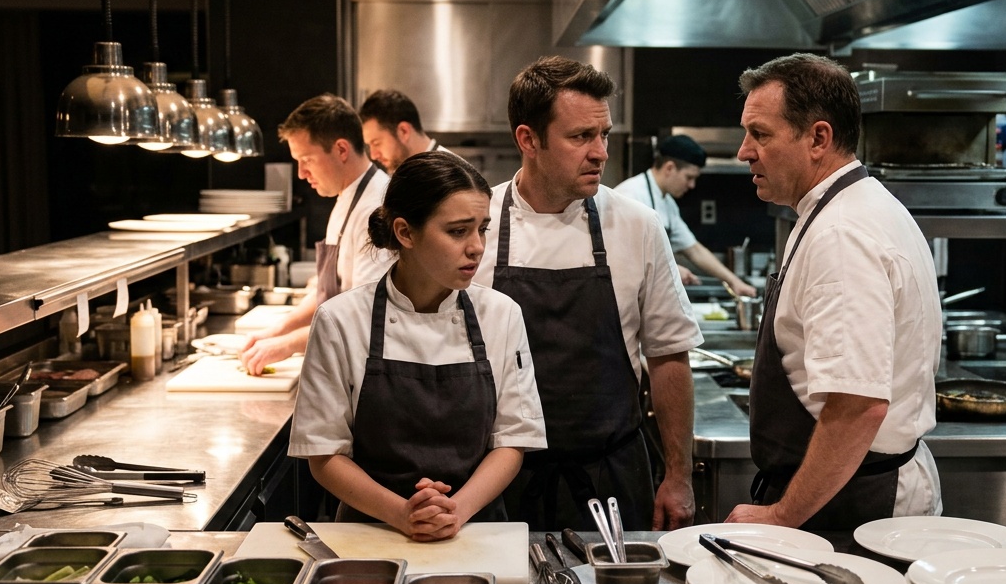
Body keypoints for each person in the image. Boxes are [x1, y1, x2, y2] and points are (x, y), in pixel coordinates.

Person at [472, 55, 701, 532]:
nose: (600, 152)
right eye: (581, 137)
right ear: (528, 140)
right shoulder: (476, 225)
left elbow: (668, 356)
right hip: (496, 481)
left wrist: (678, 475)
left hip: (611, 479)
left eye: (605, 135)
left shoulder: (637, 226)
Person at [725, 53, 942, 531]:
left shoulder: (841, 233)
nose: (744, 151)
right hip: (850, 487)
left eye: (760, 134)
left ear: (818, 138)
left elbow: (857, 405)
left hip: (856, 503)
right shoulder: (853, 205)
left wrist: (782, 516)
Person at [289, 152, 547, 539]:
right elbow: (324, 454)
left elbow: (513, 440)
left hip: (474, 530)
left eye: (483, 229)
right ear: (405, 233)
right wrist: (402, 513)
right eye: (459, 231)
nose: (477, 247)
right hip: (371, 531)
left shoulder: (502, 315)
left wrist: (453, 512)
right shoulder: (340, 320)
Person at [240, 94, 394, 376]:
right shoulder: (346, 197)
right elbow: (328, 291)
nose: (300, 173)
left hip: (370, 371)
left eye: (306, 159)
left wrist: (285, 346)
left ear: (341, 150)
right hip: (345, 359)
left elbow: (365, 313)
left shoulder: (377, 206)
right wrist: (278, 330)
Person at [616, 135, 758, 296]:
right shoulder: (630, 195)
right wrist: (672, 269)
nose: (691, 185)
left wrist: (734, 282)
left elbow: (694, 249)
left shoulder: (667, 202)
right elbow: (622, 254)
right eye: (689, 177)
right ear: (669, 168)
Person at [359, 89, 457, 173]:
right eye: (369, 146)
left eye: (376, 143)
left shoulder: (449, 173)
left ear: (403, 131)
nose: (373, 155)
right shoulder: (405, 172)